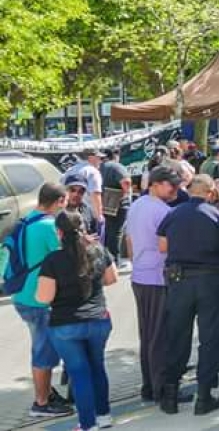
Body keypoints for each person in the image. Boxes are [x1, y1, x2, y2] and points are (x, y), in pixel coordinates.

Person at [155, 175, 219, 415]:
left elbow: (162, 246)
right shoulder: (217, 216)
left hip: (179, 282)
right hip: (209, 279)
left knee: (177, 336)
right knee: (210, 338)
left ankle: (170, 395)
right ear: (210, 192)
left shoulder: (174, 213)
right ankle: (205, 395)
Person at [36, 210, 118, 431]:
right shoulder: (98, 250)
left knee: (79, 373)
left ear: (59, 233)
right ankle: (104, 416)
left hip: (65, 325)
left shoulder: (53, 260)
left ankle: (87, 424)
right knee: (97, 367)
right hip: (99, 320)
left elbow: (44, 298)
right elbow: (112, 279)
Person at [4, 183, 73, 418]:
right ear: (59, 201)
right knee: (43, 353)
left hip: (22, 294)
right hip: (40, 300)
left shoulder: (27, 220)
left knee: (41, 347)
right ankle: (41, 403)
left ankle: (46, 393)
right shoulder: (48, 227)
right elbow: (65, 257)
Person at [125, 166, 180, 403]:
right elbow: (165, 246)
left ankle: (149, 386)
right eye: (171, 185)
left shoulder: (136, 205)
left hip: (140, 275)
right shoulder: (164, 211)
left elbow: (129, 241)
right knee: (159, 335)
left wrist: (134, 263)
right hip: (158, 276)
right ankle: (161, 389)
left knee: (147, 334)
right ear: (155, 184)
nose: (175, 189)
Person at [100, 148, 132, 267]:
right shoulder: (116, 166)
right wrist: (124, 194)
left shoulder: (100, 167)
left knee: (107, 232)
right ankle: (115, 261)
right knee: (116, 233)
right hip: (117, 203)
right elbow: (126, 182)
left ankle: (107, 260)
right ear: (116, 155)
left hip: (103, 202)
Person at [62, 148, 105, 230]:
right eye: (99, 158)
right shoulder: (93, 171)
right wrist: (99, 217)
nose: (100, 161)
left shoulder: (70, 169)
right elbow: (95, 194)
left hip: (68, 212)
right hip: (85, 214)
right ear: (91, 158)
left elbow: (62, 188)